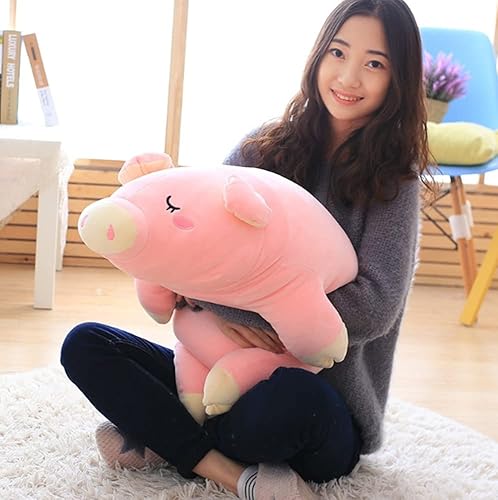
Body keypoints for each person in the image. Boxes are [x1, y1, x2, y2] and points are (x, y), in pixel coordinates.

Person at [61, 0, 432, 498]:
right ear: (318, 55)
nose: (348, 76)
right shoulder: (264, 146)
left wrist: (254, 316)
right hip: (214, 374)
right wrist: (223, 306)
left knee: (287, 405)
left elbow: (374, 308)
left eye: (375, 63)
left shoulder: (394, 181)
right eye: (338, 53)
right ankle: (228, 471)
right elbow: (194, 241)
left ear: (398, 78)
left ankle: (166, 437)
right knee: (86, 344)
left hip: (318, 399)